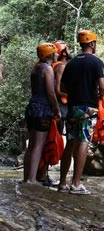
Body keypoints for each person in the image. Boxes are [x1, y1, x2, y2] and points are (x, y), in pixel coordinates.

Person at [58, 30, 104, 194]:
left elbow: (63, 88)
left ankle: (62, 183)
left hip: (72, 108)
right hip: (88, 107)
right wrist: (100, 96)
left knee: (70, 142)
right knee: (84, 141)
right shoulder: (96, 62)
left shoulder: (71, 64)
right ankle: (76, 184)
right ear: (92, 44)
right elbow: (102, 86)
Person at [23, 43, 61, 184]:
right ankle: (32, 179)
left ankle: (27, 177)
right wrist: (56, 109)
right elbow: (51, 93)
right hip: (43, 109)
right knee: (38, 145)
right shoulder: (48, 69)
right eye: (55, 52)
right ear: (50, 54)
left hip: (32, 107)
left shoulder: (36, 68)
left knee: (31, 145)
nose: (57, 54)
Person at [35, 40, 72, 186]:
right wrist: (73, 95)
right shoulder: (60, 66)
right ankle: (43, 175)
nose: (69, 50)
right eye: (67, 48)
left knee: (47, 140)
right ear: (63, 51)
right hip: (59, 107)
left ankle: (42, 174)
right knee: (51, 140)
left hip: (49, 106)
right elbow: (57, 90)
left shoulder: (52, 66)